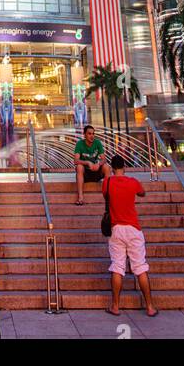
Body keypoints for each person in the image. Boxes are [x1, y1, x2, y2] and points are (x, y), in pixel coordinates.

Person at [102, 154, 157, 317]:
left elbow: (105, 195)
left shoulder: (108, 182)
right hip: (133, 228)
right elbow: (142, 193)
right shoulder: (133, 182)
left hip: (116, 229)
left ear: (112, 168)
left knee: (118, 267)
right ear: (124, 167)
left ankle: (116, 306)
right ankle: (150, 307)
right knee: (140, 267)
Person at [73, 124, 109, 205]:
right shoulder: (79, 144)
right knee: (79, 167)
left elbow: (104, 159)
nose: (92, 136)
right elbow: (75, 160)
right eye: (89, 134)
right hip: (86, 174)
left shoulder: (97, 143)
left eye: (93, 134)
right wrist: (87, 162)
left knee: (106, 167)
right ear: (84, 135)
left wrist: (99, 164)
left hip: (96, 172)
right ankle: (81, 198)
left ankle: (109, 196)